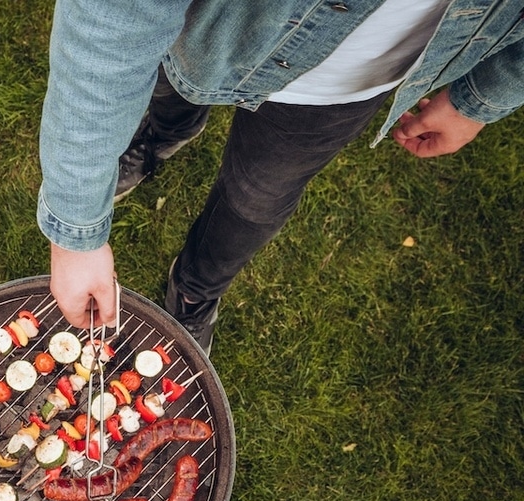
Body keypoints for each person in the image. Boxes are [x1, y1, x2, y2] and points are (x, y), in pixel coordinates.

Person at [38, 0, 524, 353]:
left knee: (257, 198)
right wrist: (76, 231)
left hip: (347, 82)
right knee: (174, 86)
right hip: (210, 28)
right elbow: (114, 21)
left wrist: (481, 98)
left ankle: (194, 289)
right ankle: (166, 134)